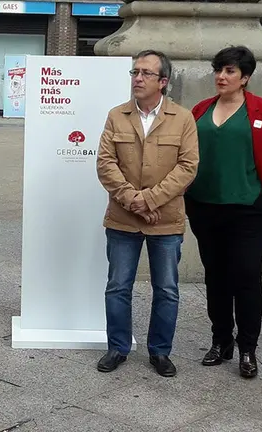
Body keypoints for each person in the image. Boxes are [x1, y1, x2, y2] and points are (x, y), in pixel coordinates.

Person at [187, 46, 262, 379]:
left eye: (230, 71)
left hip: (250, 210)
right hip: (204, 207)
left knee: (246, 276)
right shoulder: (200, 109)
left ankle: (248, 348)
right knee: (215, 276)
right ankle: (221, 341)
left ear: (245, 77)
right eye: (219, 70)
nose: (222, 76)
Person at [95, 50, 199, 378]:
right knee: (118, 285)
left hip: (165, 220)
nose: (137, 78)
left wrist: (150, 200)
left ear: (163, 82)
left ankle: (160, 351)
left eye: (146, 73)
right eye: (134, 72)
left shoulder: (182, 119)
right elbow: (105, 163)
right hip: (123, 218)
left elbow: (187, 166)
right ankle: (117, 347)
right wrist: (133, 201)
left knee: (166, 288)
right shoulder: (117, 115)